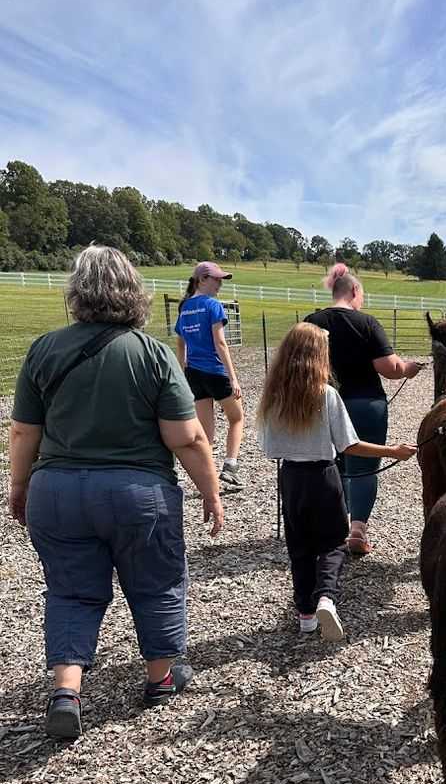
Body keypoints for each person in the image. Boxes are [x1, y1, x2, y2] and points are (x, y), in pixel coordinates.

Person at [8, 245, 224, 742]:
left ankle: (66, 690)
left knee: (69, 589)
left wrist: (19, 486)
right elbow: (187, 437)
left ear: (76, 292)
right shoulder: (151, 354)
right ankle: (161, 677)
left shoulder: (44, 349)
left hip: (57, 492)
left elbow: (23, 432)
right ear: (133, 292)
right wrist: (211, 492)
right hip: (138, 493)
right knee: (156, 581)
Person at [256, 323, 416, 641]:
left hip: (291, 478)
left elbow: (270, 448)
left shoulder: (274, 397)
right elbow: (349, 445)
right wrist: (393, 452)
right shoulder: (326, 394)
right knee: (333, 543)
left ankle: (305, 615)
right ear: (318, 357)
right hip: (324, 476)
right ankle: (326, 598)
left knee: (300, 548)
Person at [306, 263, 424, 555]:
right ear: (355, 291)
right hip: (365, 404)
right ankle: (357, 530)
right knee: (364, 467)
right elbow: (390, 368)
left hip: (321, 402)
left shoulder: (311, 322)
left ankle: (330, 527)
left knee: (330, 464)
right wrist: (409, 368)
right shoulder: (367, 324)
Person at [175, 261, 244, 488]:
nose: (220, 284)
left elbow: (180, 344)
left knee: (206, 431)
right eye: (216, 279)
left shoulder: (184, 307)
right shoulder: (213, 305)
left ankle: (208, 478)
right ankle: (230, 466)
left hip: (194, 374)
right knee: (237, 418)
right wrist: (233, 377)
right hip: (215, 371)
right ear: (202, 279)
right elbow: (220, 344)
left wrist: (182, 372)